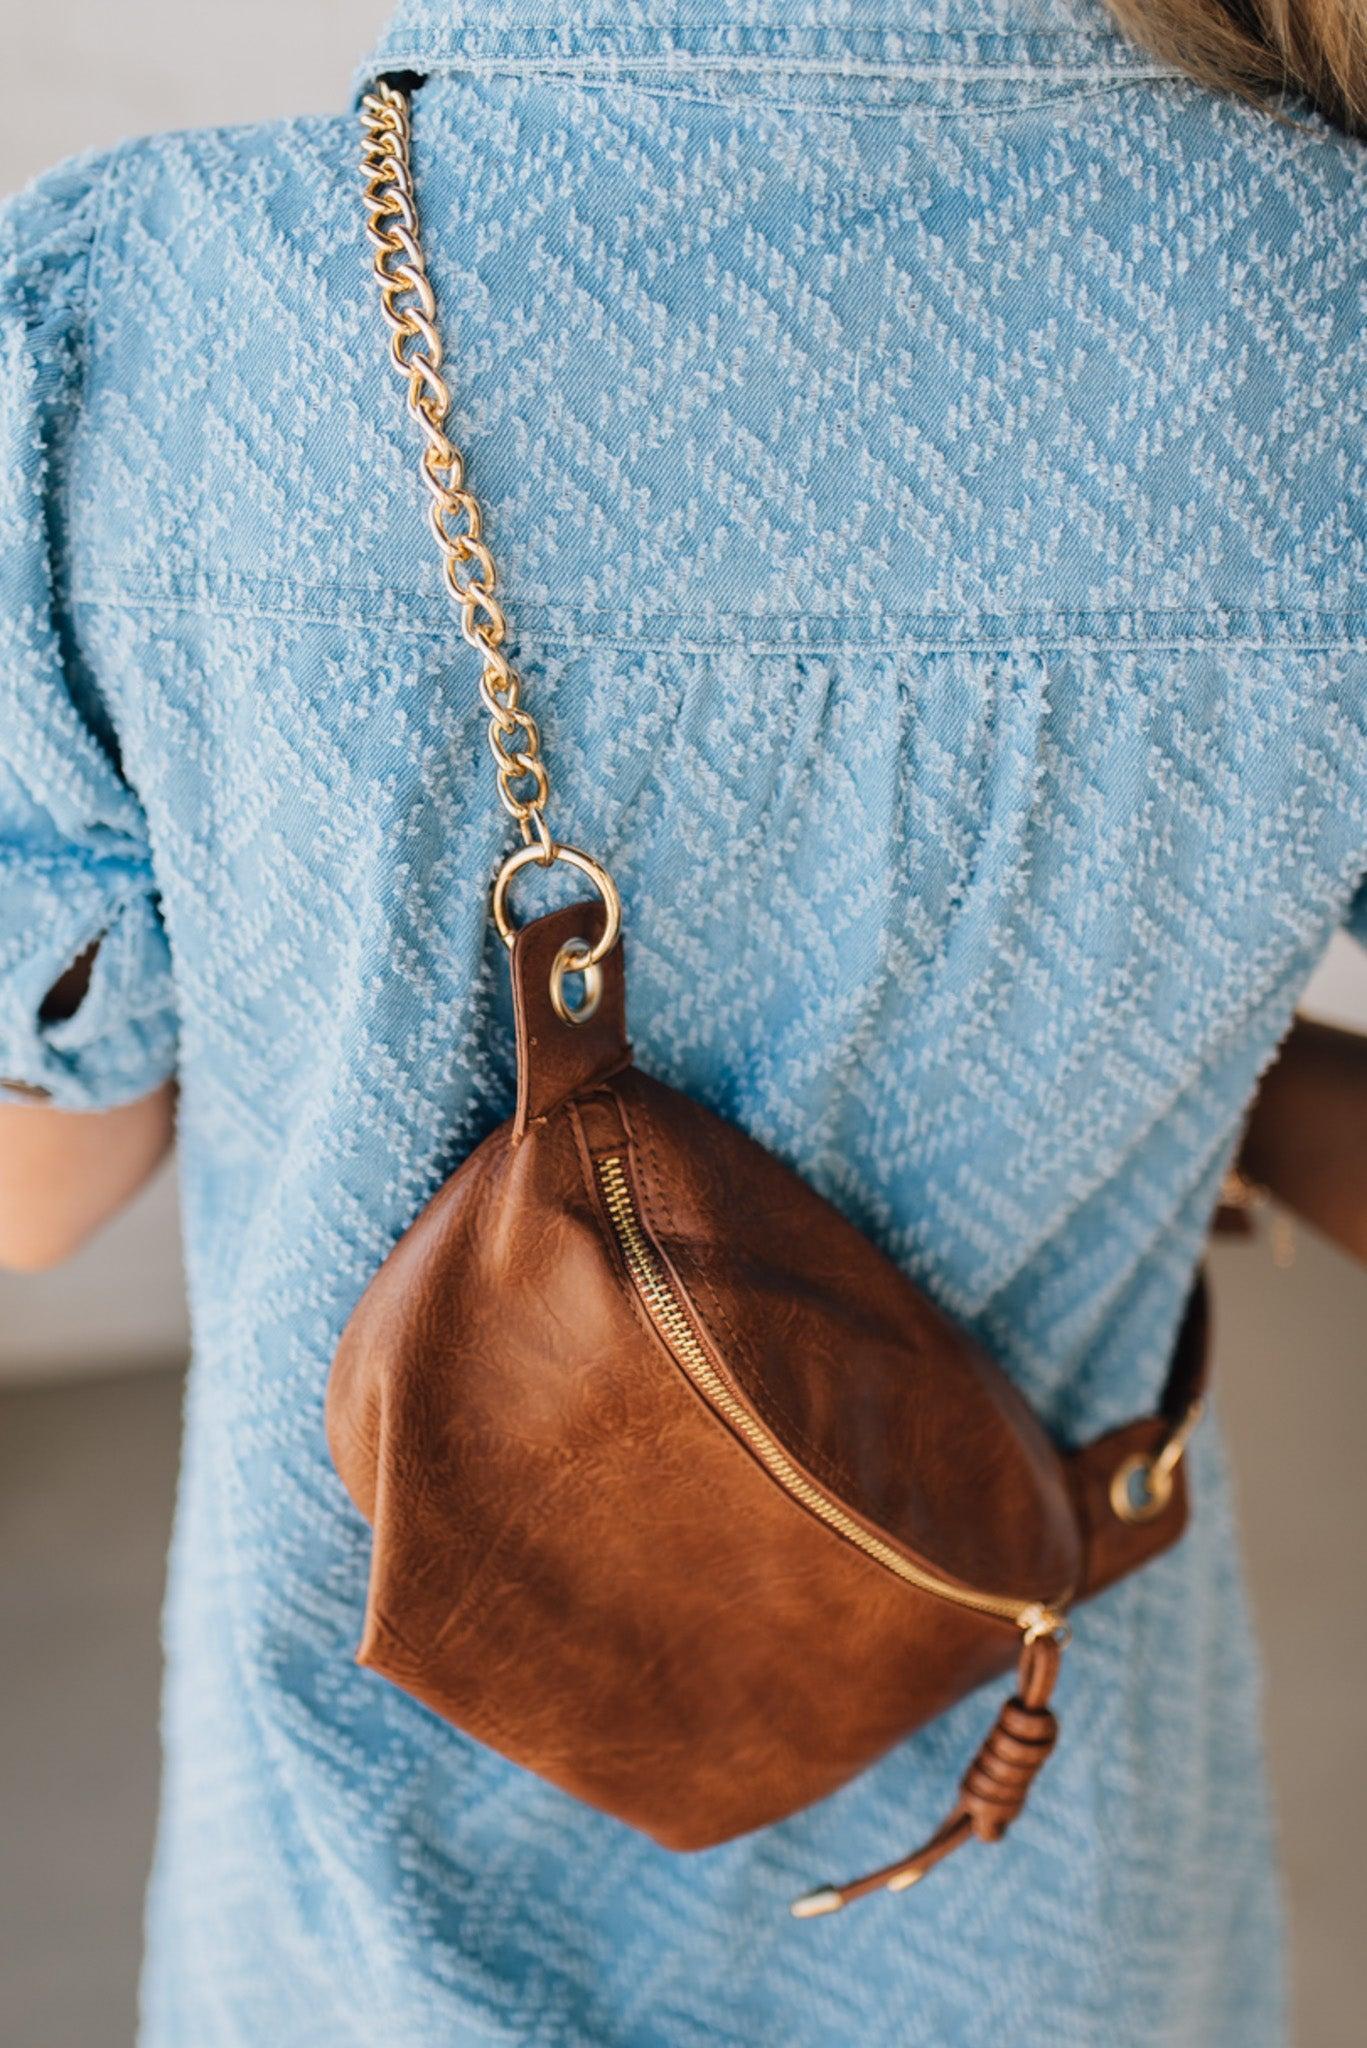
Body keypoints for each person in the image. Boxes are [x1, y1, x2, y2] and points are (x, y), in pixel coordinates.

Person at [1, 2, 1363, 2043]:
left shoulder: (157, 307)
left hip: (353, 1924)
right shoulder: (1327, 301)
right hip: (1044, 1895)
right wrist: (1164, 1043)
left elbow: (35, 1187)